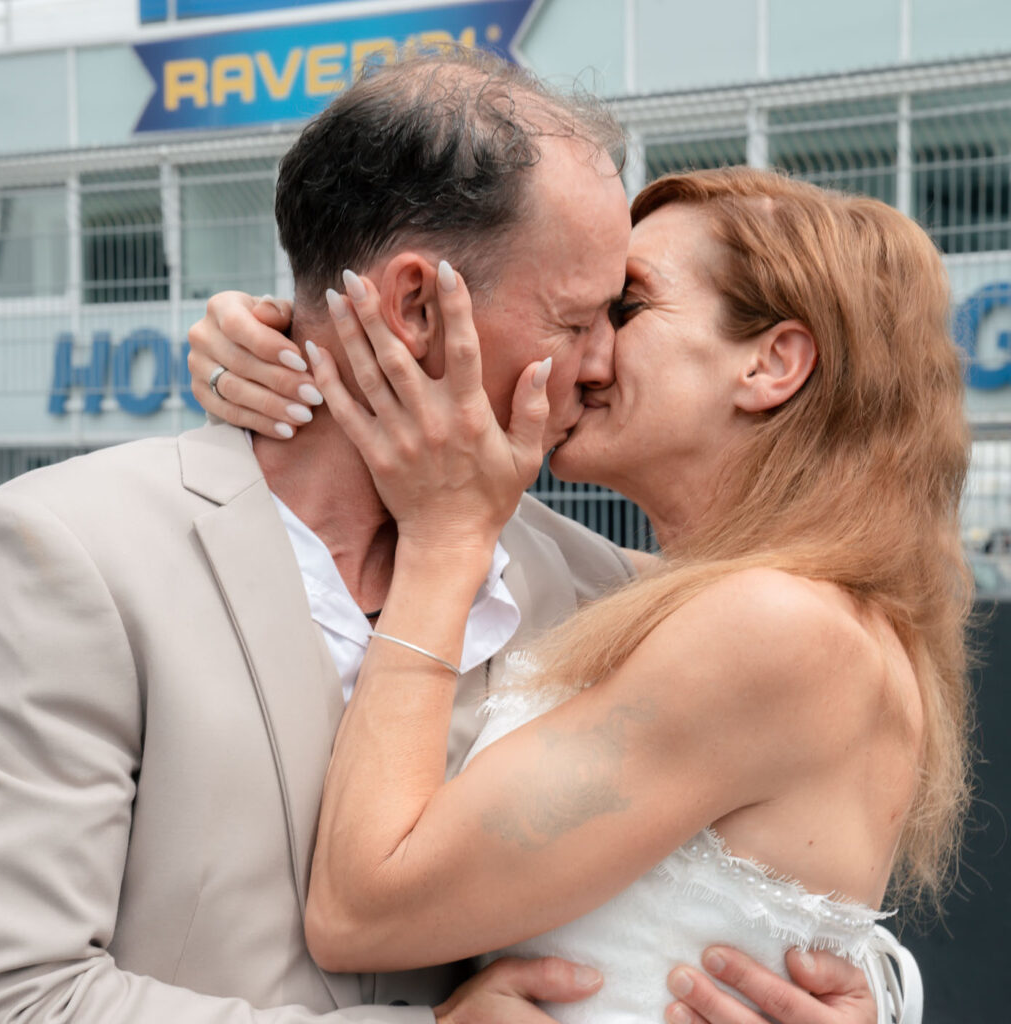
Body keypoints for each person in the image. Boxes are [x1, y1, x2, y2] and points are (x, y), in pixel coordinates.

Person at [0, 51, 882, 1024]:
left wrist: (861, 997)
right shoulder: (71, 551)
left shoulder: (600, 594)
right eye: (579, 317)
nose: (599, 362)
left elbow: (747, 849)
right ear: (415, 306)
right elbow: (21, 993)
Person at [196, 166, 970, 1024]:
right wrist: (291, 343)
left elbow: (359, 912)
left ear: (772, 363)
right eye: (581, 311)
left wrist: (444, 545)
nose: (585, 351)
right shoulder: (705, 598)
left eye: (627, 307)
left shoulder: (775, 625)